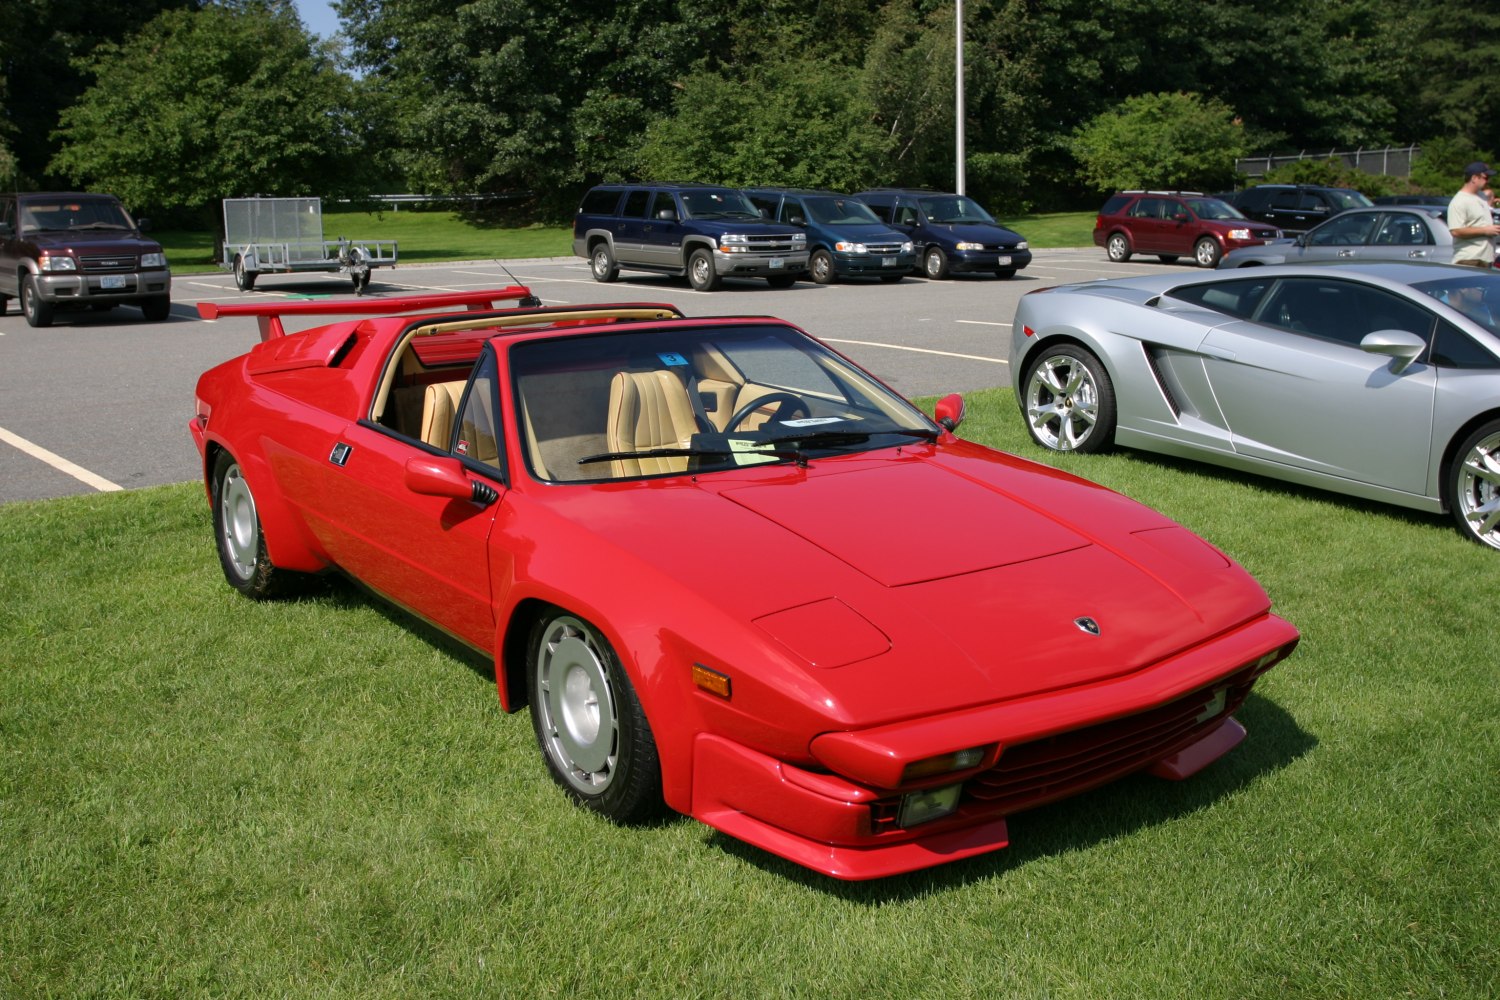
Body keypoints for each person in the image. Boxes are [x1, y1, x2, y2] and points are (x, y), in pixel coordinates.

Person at [1447, 161, 1500, 267]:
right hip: (1470, 260)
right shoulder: (1459, 201)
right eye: (1486, 177)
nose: (1488, 181)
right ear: (1474, 178)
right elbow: (1456, 231)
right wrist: (1485, 231)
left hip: (1486, 259)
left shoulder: (1481, 196)